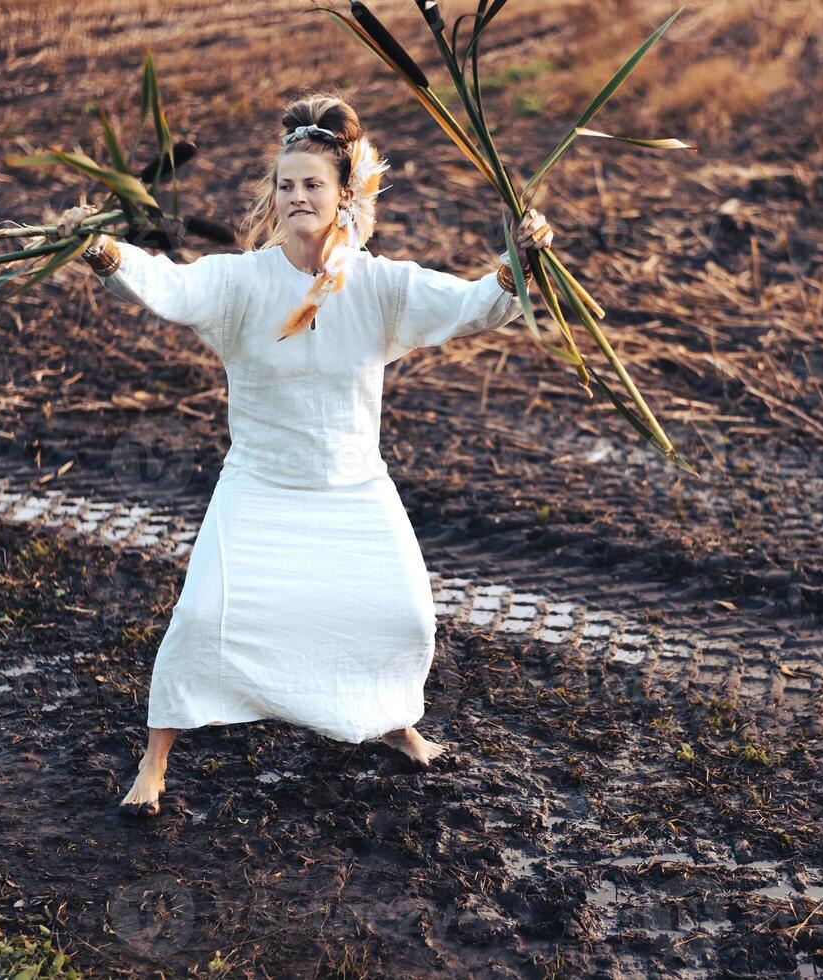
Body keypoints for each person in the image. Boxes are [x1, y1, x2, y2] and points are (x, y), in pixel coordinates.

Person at [55, 93, 555, 819]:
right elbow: (171, 284)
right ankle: (154, 760)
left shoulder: (378, 286)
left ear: (343, 195)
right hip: (260, 485)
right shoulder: (242, 280)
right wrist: (103, 252)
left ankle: (392, 722)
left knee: (404, 618)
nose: (295, 195)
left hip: (353, 487)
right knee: (202, 620)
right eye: (285, 184)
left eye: (311, 184)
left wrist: (520, 261)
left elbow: (470, 303)